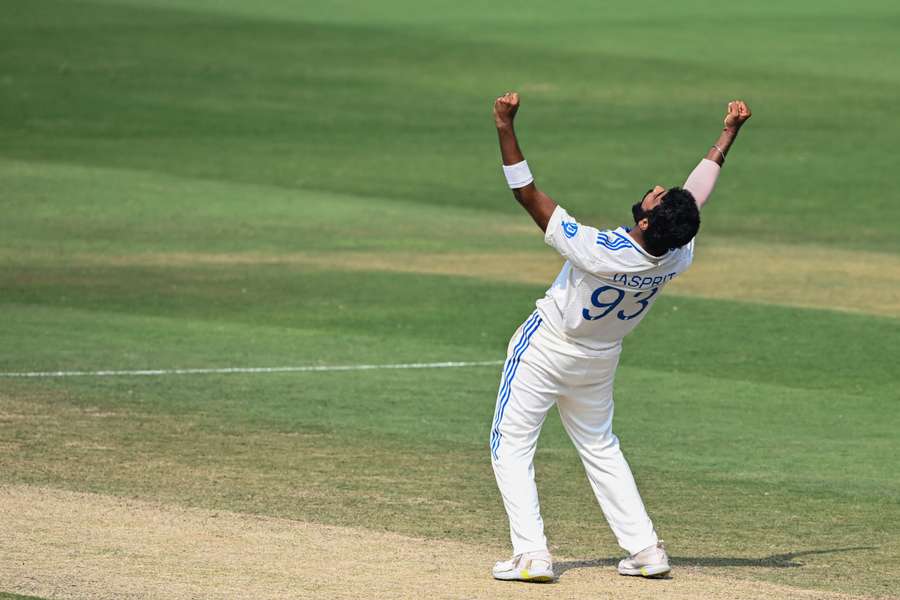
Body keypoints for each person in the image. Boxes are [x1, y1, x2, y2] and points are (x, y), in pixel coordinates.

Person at [488, 93, 751, 582]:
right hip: (600, 358)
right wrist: (727, 134)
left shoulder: (597, 249)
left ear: (647, 220)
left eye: (655, 198)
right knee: (600, 446)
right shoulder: (676, 253)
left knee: (510, 444)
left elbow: (528, 195)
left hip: (548, 346)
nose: (653, 190)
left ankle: (532, 555)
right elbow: (693, 199)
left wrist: (505, 125)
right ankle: (646, 549)